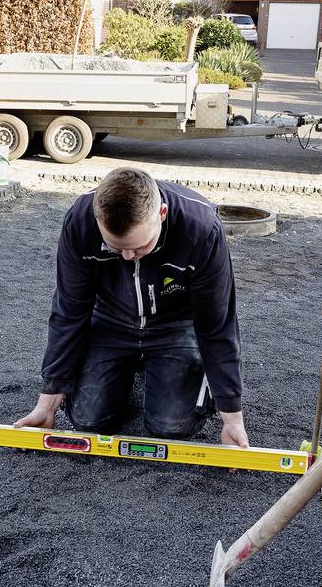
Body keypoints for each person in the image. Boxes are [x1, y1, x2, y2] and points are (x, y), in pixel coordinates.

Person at [15, 167, 249, 448]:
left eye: (140, 247)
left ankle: (166, 368)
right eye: (115, 248)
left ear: (162, 214)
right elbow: (69, 312)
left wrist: (232, 419)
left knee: (172, 427)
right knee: (88, 421)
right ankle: (130, 365)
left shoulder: (201, 229)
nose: (127, 257)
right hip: (111, 317)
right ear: (96, 218)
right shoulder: (78, 223)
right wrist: (47, 405)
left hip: (175, 323)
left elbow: (216, 324)